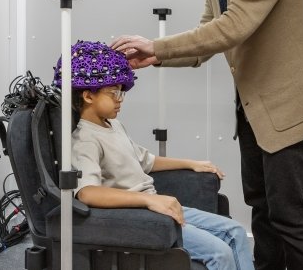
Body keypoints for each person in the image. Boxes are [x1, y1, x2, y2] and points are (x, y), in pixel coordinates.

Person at [111, 0, 303, 270]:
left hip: (288, 113)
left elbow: (232, 29)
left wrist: (157, 44)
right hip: (253, 114)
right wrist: (153, 57)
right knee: (262, 211)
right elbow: (203, 44)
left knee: (290, 217)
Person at [54, 40, 255, 270]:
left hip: (156, 207)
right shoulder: (85, 139)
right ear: (88, 96)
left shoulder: (113, 126)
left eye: (121, 93)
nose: (120, 100)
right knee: (220, 253)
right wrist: (149, 200)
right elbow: (87, 193)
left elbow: (145, 160)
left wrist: (191, 164)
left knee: (236, 232)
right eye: (113, 94)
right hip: (142, 217)